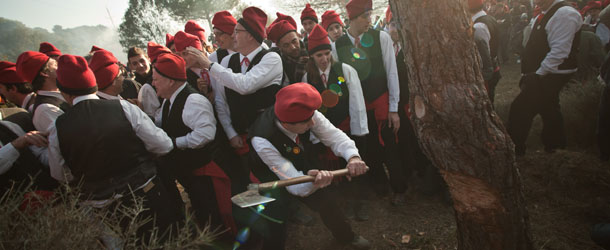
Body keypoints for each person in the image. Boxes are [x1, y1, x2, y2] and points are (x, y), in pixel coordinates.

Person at [47, 54, 181, 241]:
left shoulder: (57, 127)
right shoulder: (123, 108)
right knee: (166, 241)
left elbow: (59, 174)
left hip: (103, 209)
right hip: (146, 194)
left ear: (65, 93)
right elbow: (164, 145)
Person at [248, 82, 371, 249]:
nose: (313, 123)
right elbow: (294, 185)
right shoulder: (262, 141)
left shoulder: (307, 114)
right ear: (286, 124)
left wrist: (353, 157)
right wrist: (315, 182)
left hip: (301, 160)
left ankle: (346, 237)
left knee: (327, 203)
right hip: (271, 174)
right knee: (276, 219)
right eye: (306, 122)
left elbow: (334, 136)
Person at [187, 6, 282, 157]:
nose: (233, 35)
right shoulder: (226, 61)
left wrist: (209, 65)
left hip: (273, 134)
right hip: (242, 136)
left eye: (237, 31)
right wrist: (230, 132)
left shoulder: (271, 58)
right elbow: (220, 100)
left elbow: (245, 85)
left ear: (250, 35)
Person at [333, 0, 401, 200]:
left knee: (390, 147)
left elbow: (392, 72)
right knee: (369, 148)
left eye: (370, 15)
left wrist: (394, 108)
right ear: (352, 19)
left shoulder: (381, 37)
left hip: (382, 102)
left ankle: (399, 187)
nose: (369, 20)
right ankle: (379, 184)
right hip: (358, 107)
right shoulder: (337, 45)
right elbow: (339, 77)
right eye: (365, 16)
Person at [507, 0, 582, 156]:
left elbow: (560, 51)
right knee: (549, 108)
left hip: (552, 74)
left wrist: (538, 74)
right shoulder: (549, 12)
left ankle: (513, 151)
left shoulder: (564, 14)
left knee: (520, 109)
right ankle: (556, 147)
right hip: (546, 73)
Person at [0, 111, 56, 192]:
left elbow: (35, 155)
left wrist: (55, 146)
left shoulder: (7, 126)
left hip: (41, 192)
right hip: (12, 200)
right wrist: (14, 145)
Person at [16, 51, 68, 133]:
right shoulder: (45, 109)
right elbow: (72, 139)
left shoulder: (62, 94)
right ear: (44, 73)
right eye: (56, 65)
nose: (60, 68)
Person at [470, 0, 502, 103]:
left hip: (486, 73)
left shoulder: (478, 27)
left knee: (485, 102)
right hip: (493, 66)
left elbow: (484, 56)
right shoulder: (489, 18)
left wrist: (484, 77)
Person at [267, 18, 309, 86]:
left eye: (294, 41)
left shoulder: (312, 50)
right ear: (279, 47)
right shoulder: (276, 63)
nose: (293, 47)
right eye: (286, 45)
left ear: (298, 36)